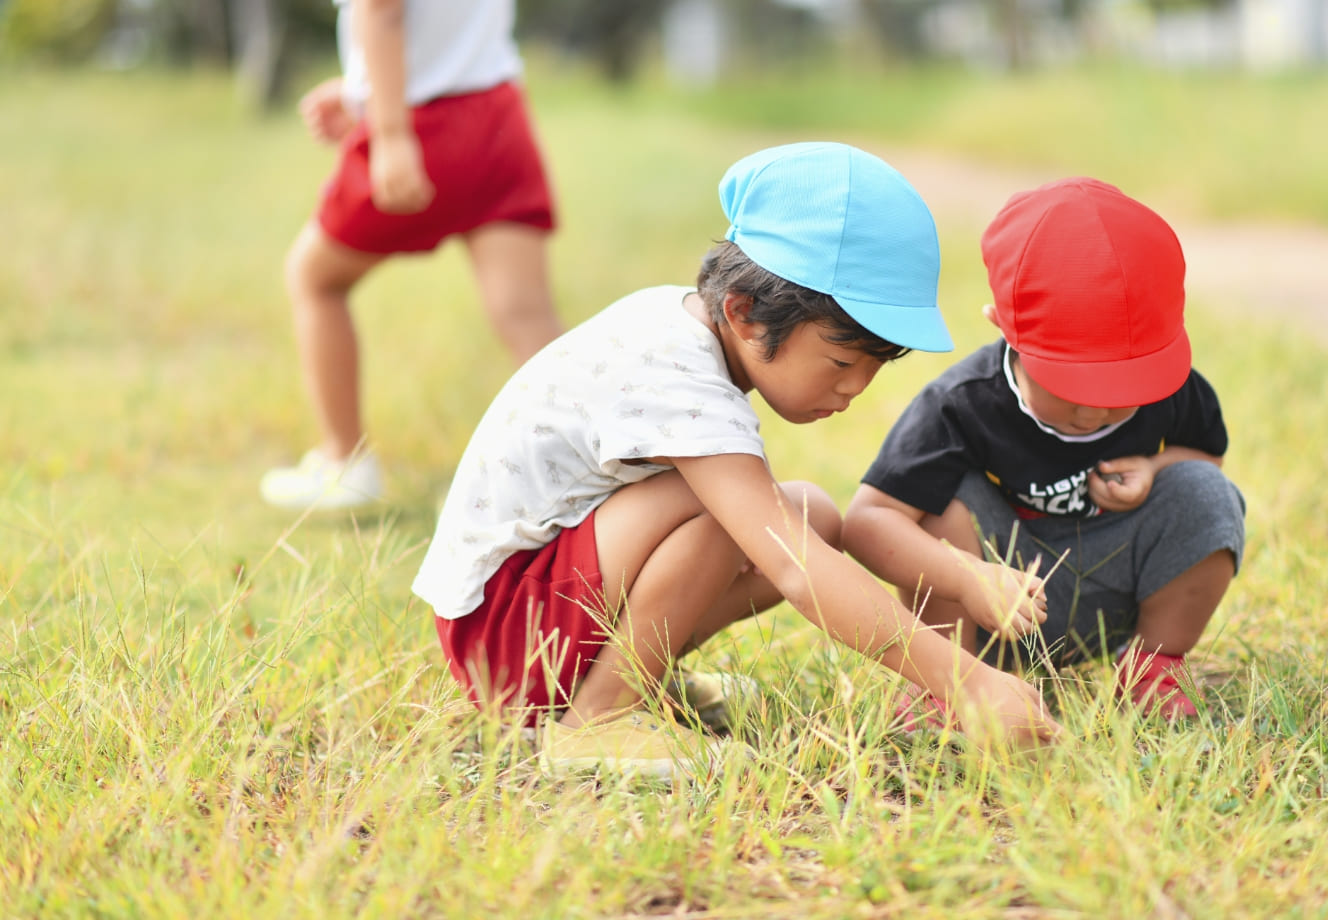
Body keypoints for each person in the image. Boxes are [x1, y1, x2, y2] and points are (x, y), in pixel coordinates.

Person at [412, 142, 1062, 779]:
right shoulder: (674, 375)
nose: (853, 388)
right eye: (840, 362)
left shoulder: (682, 324)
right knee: (741, 514)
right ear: (745, 312)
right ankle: (602, 718)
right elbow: (797, 569)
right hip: (508, 636)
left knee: (808, 510)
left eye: (873, 367)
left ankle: (640, 681)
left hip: (536, 613)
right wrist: (968, 682)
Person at [844, 177, 1246, 722]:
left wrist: (1156, 467)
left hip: (1113, 597)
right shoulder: (960, 404)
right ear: (1002, 327)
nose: (1094, 412)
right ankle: (942, 678)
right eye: (1071, 385)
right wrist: (967, 575)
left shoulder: (1173, 388)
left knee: (1207, 493)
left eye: (1123, 389)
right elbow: (868, 521)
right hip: (987, 608)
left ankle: (1152, 665)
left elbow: (1205, 463)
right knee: (940, 498)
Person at [260, 0, 563, 510]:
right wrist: (361, 92)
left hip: (423, 127)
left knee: (314, 279)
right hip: (498, 115)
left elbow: (381, 12)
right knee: (526, 313)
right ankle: (589, 459)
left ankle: (344, 461)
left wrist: (389, 131)